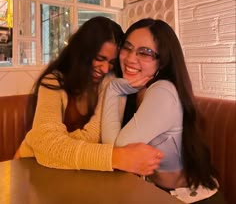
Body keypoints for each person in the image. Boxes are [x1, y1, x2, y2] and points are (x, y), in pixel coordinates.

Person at [16, 16, 163, 175]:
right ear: (81, 52)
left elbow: (95, 135)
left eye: (112, 62)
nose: (105, 69)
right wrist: (117, 157)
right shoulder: (54, 81)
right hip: (33, 169)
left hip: (75, 174)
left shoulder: (110, 82)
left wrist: (42, 143)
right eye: (99, 59)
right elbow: (48, 144)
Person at [102, 18, 225, 203]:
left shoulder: (163, 91)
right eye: (127, 47)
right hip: (158, 192)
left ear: (163, 61)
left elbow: (118, 151)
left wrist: (113, 89)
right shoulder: (135, 90)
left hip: (191, 198)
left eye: (145, 53)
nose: (130, 58)